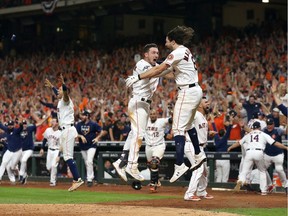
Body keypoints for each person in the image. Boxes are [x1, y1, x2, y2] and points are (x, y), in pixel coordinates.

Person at [125, 26, 205, 183]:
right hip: (195, 90)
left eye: (167, 40)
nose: (165, 42)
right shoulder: (185, 51)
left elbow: (160, 69)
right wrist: (143, 76)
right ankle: (198, 154)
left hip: (187, 92)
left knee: (177, 129)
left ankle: (180, 165)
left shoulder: (177, 52)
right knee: (187, 126)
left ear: (173, 41)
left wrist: (138, 77)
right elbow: (163, 72)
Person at [112, 43, 160, 182]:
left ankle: (121, 161)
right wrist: (167, 65)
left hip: (144, 104)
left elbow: (160, 70)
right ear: (146, 54)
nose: (156, 55)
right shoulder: (142, 64)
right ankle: (132, 165)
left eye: (157, 53)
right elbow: (155, 72)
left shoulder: (153, 65)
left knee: (134, 133)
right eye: (153, 52)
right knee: (139, 134)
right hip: (138, 102)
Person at [45, 73, 87, 192]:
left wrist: (63, 85)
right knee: (66, 155)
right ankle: (76, 179)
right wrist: (52, 86)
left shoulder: (66, 100)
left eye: (59, 90)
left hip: (68, 129)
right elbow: (59, 94)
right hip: (65, 130)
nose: (57, 92)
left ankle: (77, 179)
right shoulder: (60, 101)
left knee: (68, 156)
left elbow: (65, 94)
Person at [228, 121, 288, 195]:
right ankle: (263, 191)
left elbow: (239, 143)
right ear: (259, 127)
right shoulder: (263, 134)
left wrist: (230, 147)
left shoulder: (249, 134)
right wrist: (285, 147)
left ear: (253, 128)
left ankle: (241, 180)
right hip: (259, 152)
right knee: (262, 171)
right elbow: (275, 143)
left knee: (244, 171)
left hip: (249, 153)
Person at [184, 97, 214, 201]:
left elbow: (199, 131)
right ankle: (189, 193)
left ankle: (201, 191)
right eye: (206, 102)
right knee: (199, 169)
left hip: (200, 147)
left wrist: (209, 133)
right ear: (199, 105)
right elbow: (185, 122)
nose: (208, 103)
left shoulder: (202, 116)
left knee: (205, 171)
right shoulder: (195, 115)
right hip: (192, 145)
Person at [19, 111, 51, 184]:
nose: (24, 125)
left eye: (25, 124)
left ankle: (21, 175)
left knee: (23, 161)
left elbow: (39, 123)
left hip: (29, 149)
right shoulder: (19, 130)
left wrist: (47, 117)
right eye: (23, 124)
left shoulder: (30, 128)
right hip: (21, 150)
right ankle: (24, 175)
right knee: (22, 163)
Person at [144, 109, 172, 192]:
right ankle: (156, 180)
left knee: (154, 162)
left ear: (157, 114)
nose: (152, 115)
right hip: (148, 146)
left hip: (159, 146)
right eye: (151, 114)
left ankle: (153, 184)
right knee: (150, 165)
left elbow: (170, 120)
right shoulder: (145, 122)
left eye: (154, 113)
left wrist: (174, 115)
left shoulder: (161, 121)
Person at [75, 110, 102, 187]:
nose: (81, 117)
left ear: (87, 116)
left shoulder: (93, 124)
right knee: (87, 163)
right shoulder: (79, 124)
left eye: (83, 115)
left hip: (91, 145)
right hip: (83, 146)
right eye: (81, 115)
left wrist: (97, 138)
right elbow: (75, 133)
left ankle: (90, 179)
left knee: (89, 161)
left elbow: (102, 131)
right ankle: (91, 178)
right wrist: (80, 136)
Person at [263, 117, 288, 194]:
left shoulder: (277, 130)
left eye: (270, 124)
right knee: (262, 169)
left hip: (278, 154)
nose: (269, 126)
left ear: (273, 124)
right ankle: (270, 185)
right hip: (267, 154)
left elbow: (286, 132)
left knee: (279, 169)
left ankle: (286, 186)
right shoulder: (263, 130)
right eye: (268, 124)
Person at [211, 113, 233, 183]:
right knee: (224, 177)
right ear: (224, 134)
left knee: (219, 176)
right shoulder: (224, 138)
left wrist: (212, 119)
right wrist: (231, 121)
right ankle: (223, 191)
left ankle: (217, 189)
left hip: (217, 159)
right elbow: (229, 129)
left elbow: (214, 127)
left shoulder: (216, 137)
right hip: (224, 158)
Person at [39, 117, 61, 186]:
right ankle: (54, 176)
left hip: (56, 150)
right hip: (49, 150)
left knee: (54, 165)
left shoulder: (60, 133)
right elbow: (45, 139)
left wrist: (59, 155)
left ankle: (52, 181)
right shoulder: (48, 130)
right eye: (52, 121)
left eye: (54, 121)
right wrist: (42, 148)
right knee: (48, 167)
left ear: (57, 123)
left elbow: (61, 146)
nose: (52, 122)